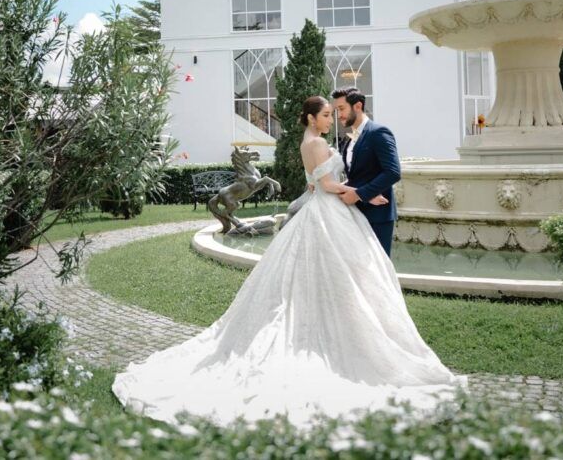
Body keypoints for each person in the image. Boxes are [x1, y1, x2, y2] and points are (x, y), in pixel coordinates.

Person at [111, 96, 463, 427]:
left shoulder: (307, 142)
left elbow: (314, 183)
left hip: (322, 210)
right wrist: (361, 195)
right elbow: (327, 185)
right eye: (325, 115)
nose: (331, 120)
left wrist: (343, 190)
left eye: (332, 114)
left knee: (324, 273)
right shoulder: (317, 143)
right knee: (341, 273)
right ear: (311, 118)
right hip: (330, 211)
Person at [331, 87, 399, 258]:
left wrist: (359, 194)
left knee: (378, 268)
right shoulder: (351, 138)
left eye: (341, 109)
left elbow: (393, 172)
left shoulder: (379, 132)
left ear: (358, 106)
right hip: (354, 214)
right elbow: (357, 176)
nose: (338, 115)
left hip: (377, 216)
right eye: (336, 110)